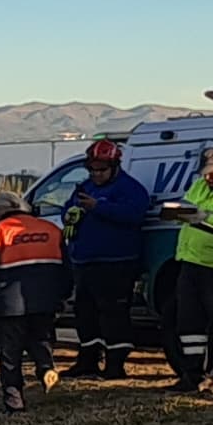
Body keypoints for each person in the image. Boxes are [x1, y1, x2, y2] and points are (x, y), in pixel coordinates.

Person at [54, 140, 155, 379]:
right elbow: (67, 208)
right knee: (85, 312)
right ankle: (87, 360)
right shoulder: (86, 186)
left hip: (116, 262)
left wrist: (98, 207)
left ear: (114, 166)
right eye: (93, 169)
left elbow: (135, 214)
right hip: (85, 261)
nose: (97, 174)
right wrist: (69, 214)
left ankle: (115, 364)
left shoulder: (130, 189)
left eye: (101, 170)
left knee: (113, 313)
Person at [162, 144, 213, 392]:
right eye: (205, 172)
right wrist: (179, 213)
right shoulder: (200, 185)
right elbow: (189, 208)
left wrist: (204, 217)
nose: (208, 177)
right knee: (189, 323)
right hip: (190, 261)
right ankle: (192, 373)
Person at [0, 189, 71, 410]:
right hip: (45, 300)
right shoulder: (52, 230)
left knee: (10, 353)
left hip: (9, 305)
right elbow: (67, 269)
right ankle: (46, 368)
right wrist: (64, 295)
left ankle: (14, 400)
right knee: (40, 338)